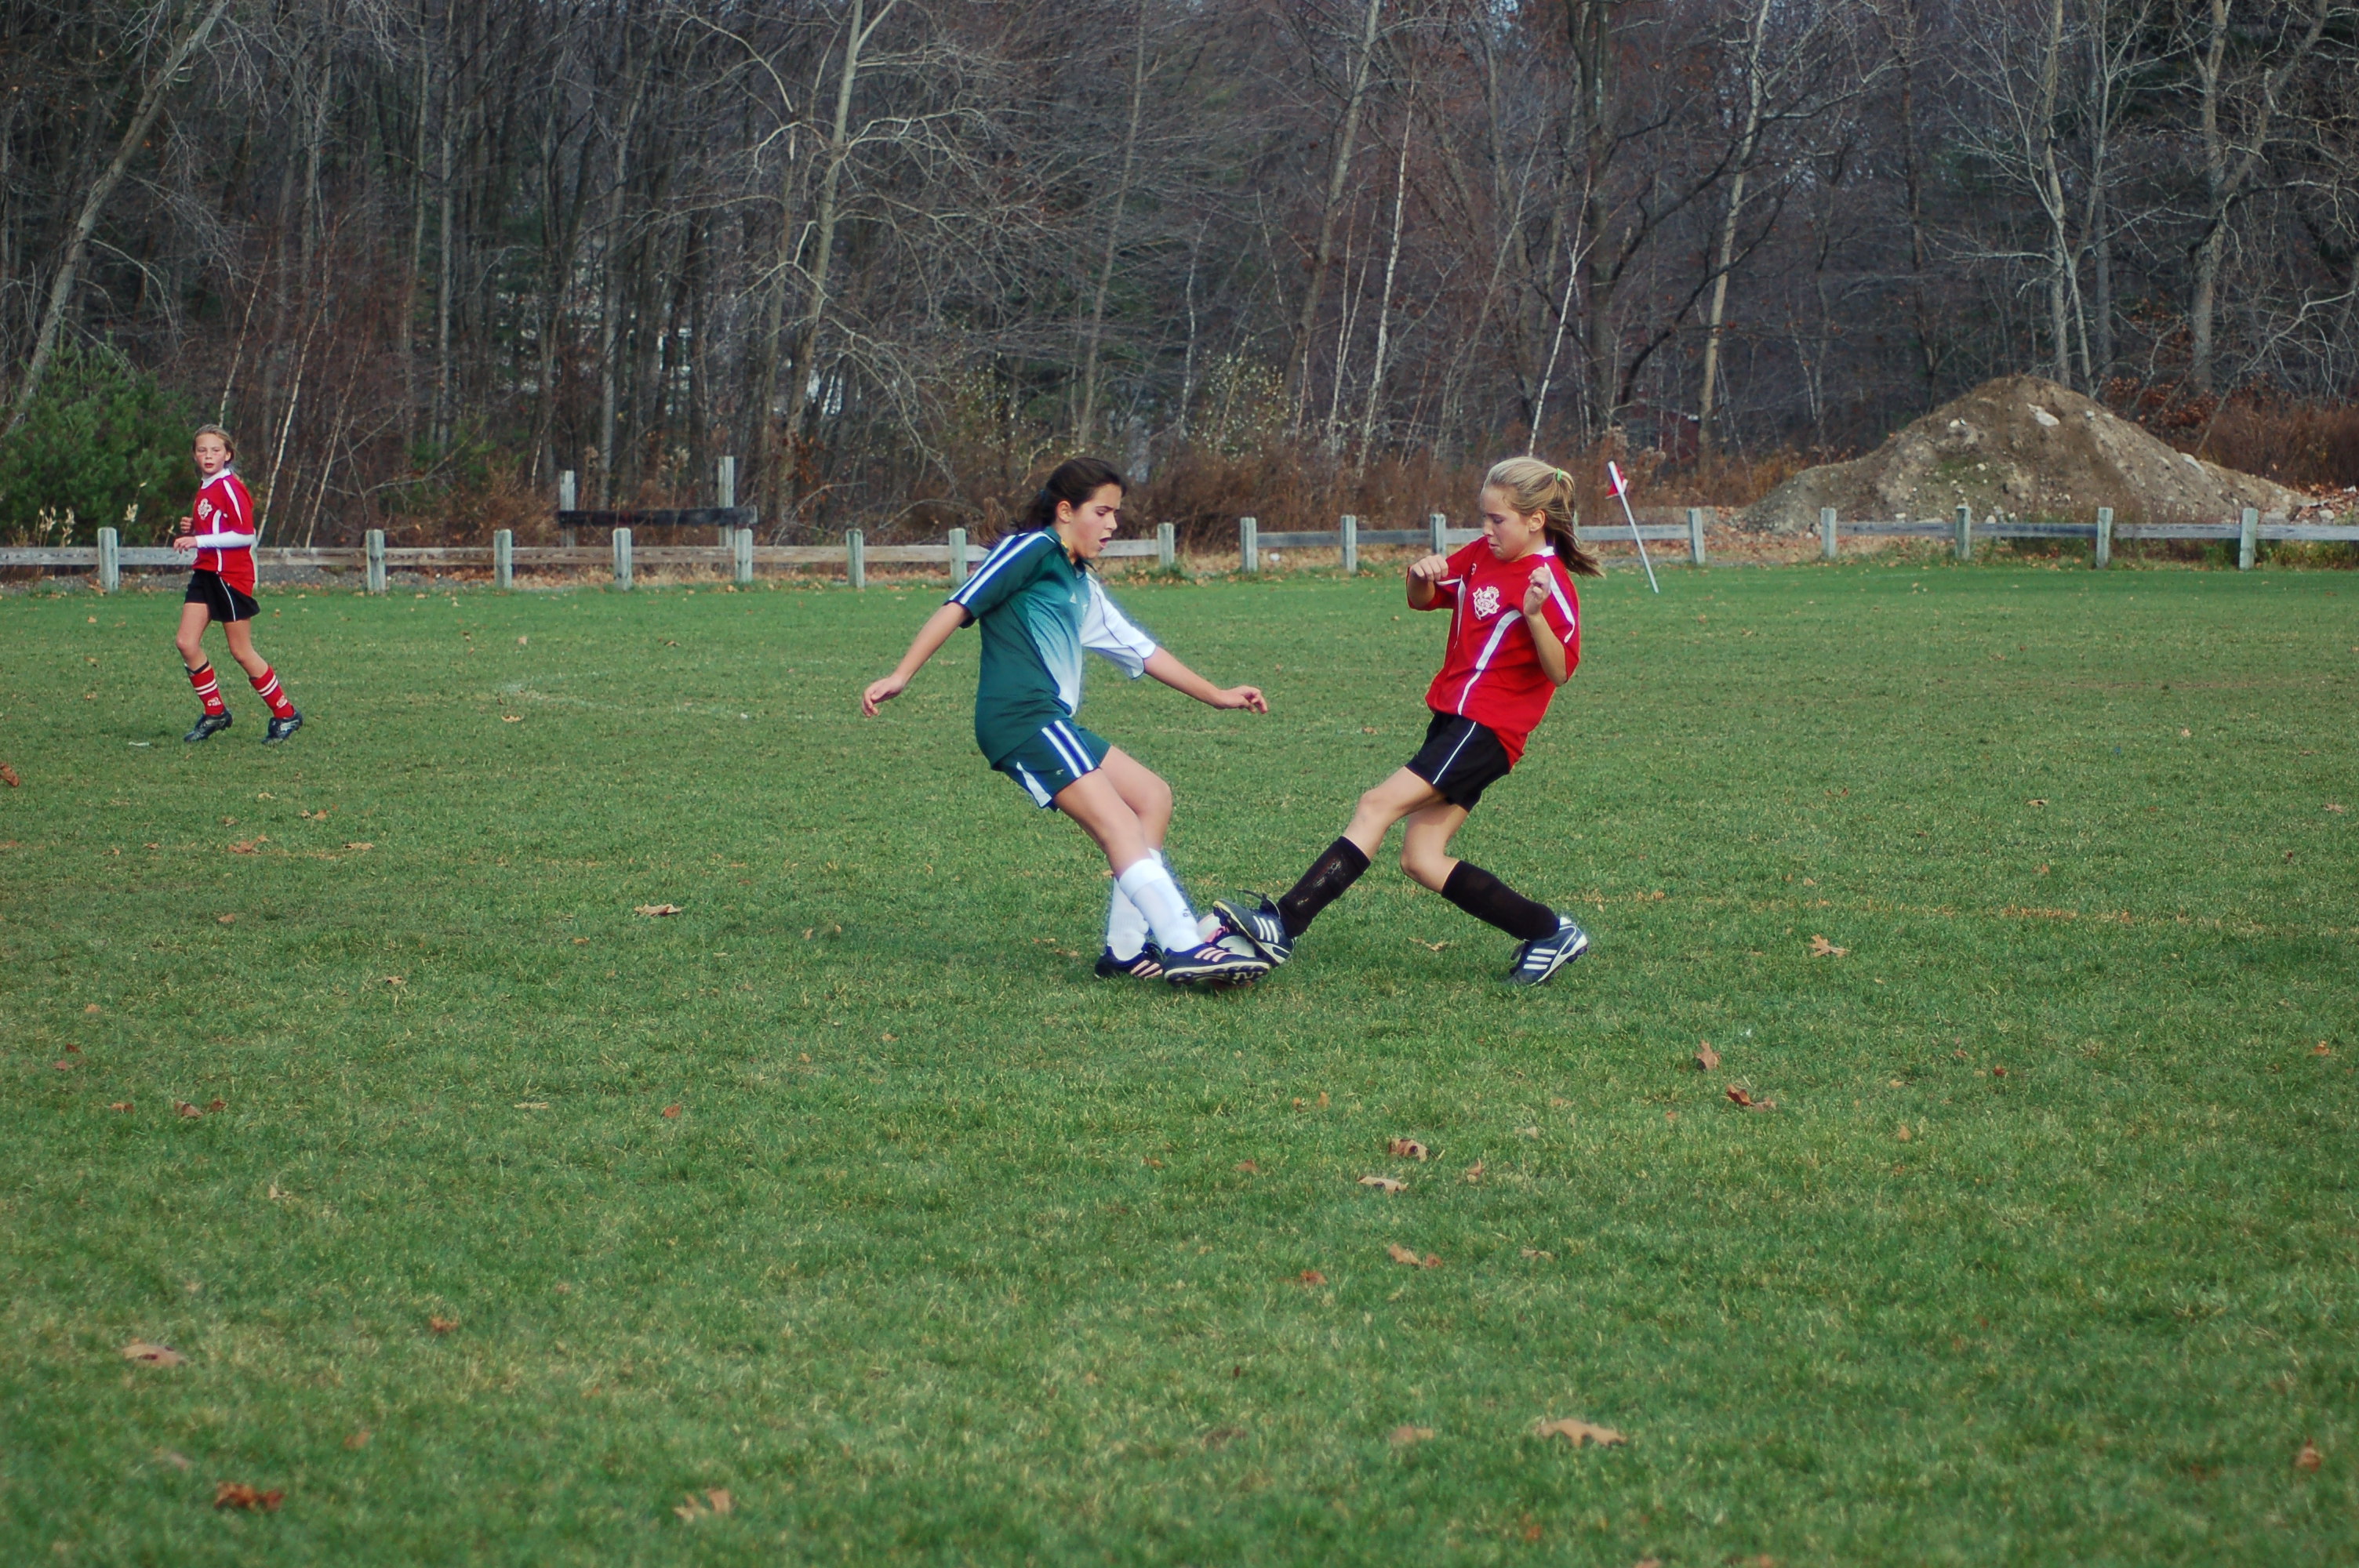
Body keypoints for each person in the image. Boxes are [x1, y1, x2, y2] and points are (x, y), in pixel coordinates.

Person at [861, 457, 1271, 985]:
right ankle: (1185, 945)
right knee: (1118, 824)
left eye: (1115, 513)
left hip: (1049, 719)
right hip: (1022, 718)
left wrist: (1216, 695)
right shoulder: (1032, 550)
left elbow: (1141, 649)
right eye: (1102, 512)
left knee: (1152, 797)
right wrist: (901, 674)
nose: (1112, 524)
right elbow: (958, 606)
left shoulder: (1080, 584)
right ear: (1064, 511)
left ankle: (1125, 950)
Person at [1212, 457, 1601, 985]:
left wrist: (1534, 615)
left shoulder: (1549, 582)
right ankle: (1550, 932)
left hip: (1485, 730)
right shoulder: (1481, 555)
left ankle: (1284, 922)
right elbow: (1425, 600)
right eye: (1483, 518)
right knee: (1422, 859)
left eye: (1497, 520)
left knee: (1376, 805)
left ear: (1535, 520)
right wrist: (1419, 576)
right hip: (1454, 723)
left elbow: (1560, 671)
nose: (1486, 529)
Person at [173, 425, 300, 745]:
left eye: (215, 450)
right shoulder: (206, 486)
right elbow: (218, 526)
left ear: (227, 455)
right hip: (205, 573)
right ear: (195, 455)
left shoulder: (230, 486)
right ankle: (215, 711)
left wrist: (198, 539)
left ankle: (286, 714)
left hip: (230, 576)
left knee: (241, 651)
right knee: (186, 643)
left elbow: (245, 535)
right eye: (202, 450)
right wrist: (194, 527)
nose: (208, 456)